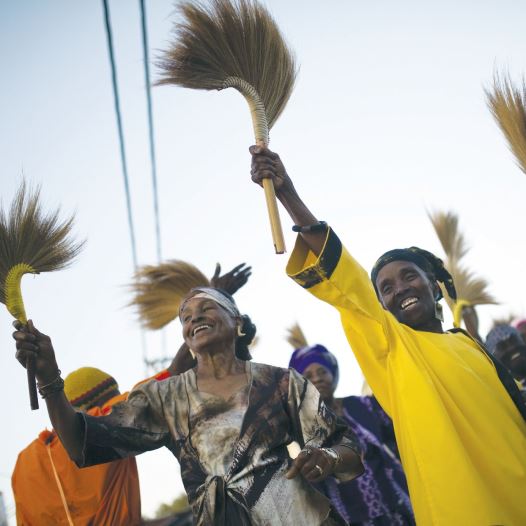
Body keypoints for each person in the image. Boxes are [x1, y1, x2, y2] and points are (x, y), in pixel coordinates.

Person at [250, 145, 526, 526]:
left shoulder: (467, 343)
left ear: (433, 283)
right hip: (465, 505)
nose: (400, 289)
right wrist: (288, 195)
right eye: (387, 287)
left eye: (409, 276)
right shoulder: (391, 345)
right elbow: (349, 283)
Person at [13, 288, 364, 525]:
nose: (194, 318)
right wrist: (49, 378)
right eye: (185, 317)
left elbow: (346, 446)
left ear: (237, 323)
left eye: (206, 307)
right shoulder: (167, 398)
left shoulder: (282, 383)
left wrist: (328, 458)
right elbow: (80, 442)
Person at [290, 344, 414, 526]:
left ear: (333, 373)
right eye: (308, 375)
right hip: (350, 515)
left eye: (322, 371)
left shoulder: (362, 405)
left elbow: (401, 435)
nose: (317, 378)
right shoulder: (300, 428)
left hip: (397, 502)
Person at [12, 367, 141, 526]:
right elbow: (148, 398)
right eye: (114, 399)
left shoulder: (23, 463)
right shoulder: (102, 428)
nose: (119, 403)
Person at [486, 324, 526, 393]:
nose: (511, 348)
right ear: (495, 358)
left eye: (513, 340)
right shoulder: (504, 394)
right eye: (502, 346)